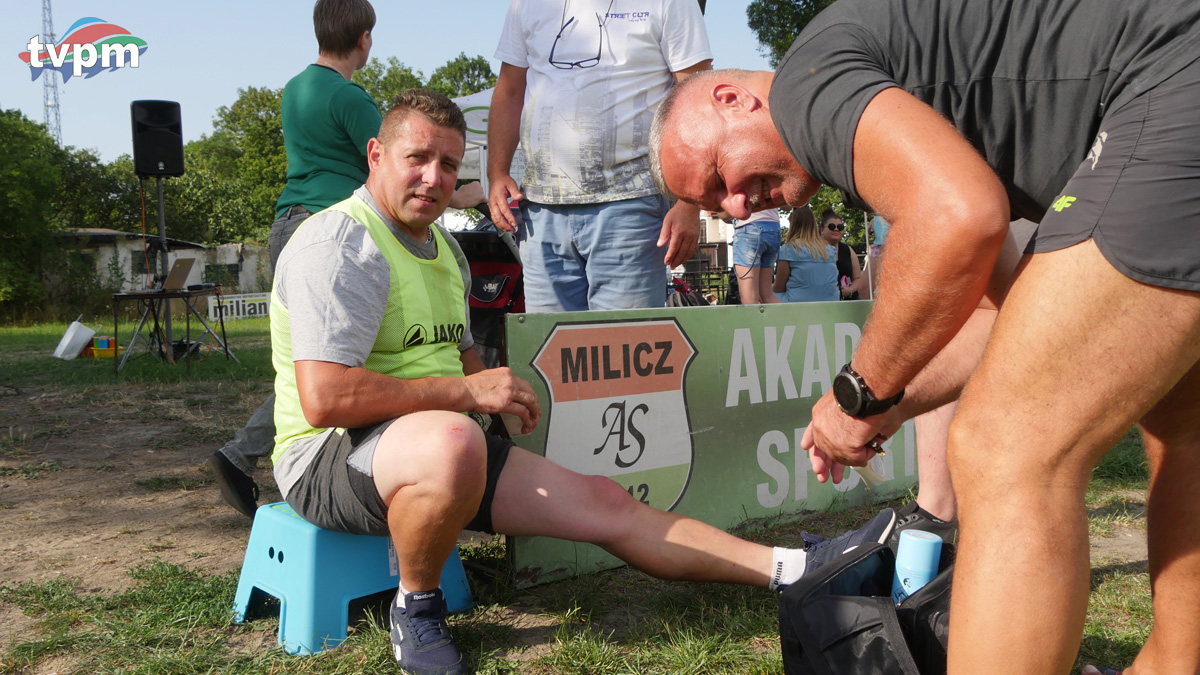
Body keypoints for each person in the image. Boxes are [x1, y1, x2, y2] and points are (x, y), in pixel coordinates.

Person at [647, 0, 1200, 671]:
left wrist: (857, 393)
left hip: (1170, 81)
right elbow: (1011, 316)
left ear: (733, 99)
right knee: (1182, 427)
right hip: (1168, 81)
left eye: (718, 179)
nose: (736, 207)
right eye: (712, 206)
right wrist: (890, 402)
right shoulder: (888, 95)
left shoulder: (805, 87)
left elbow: (959, 213)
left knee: (1004, 444)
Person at [271, 88, 898, 675]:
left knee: (609, 503)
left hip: (436, 448)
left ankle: (797, 566)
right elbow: (327, 398)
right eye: (417, 159)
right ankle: (416, 607)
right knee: (454, 440)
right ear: (376, 155)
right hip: (327, 458)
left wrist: (492, 395)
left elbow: (460, 359)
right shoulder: (340, 242)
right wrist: (467, 396)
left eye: (449, 164)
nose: (434, 178)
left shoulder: (445, 250)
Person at [208, 0, 484, 519]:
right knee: (337, 363)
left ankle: (245, 449)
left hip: (288, 219)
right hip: (341, 231)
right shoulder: (349, 96)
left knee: (311, 354)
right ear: (364, 40)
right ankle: (337, 459)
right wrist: (462, 191)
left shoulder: (295, 89)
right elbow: (400, 159)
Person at [484, 0, 711, 312]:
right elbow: (510, 91)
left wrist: (690, 201)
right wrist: (497, 173)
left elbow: (697, 95)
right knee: (550, 342)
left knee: (622, 341)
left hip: (632, 206)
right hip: (541, 211)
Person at [773, 206, 837, 303]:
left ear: (793, 225)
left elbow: (779, 288)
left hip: (797, 305)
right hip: (831, 304)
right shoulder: (830, 250)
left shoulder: (789, 249)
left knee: (763, 293)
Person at [731, 208, 783, 305]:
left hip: (749, 228)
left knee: (749, 299)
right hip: (773, 229)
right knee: (767, 296)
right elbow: (787, 206)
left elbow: (725, 213)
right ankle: (792, 315)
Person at [819, 209, 864, 301]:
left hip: (848, 301)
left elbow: (858, 278)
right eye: (831, 226)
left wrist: (850, 290)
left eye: (840, 227)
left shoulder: (848, 250)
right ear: (822, 229)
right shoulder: (813, 251)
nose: (836, 229)